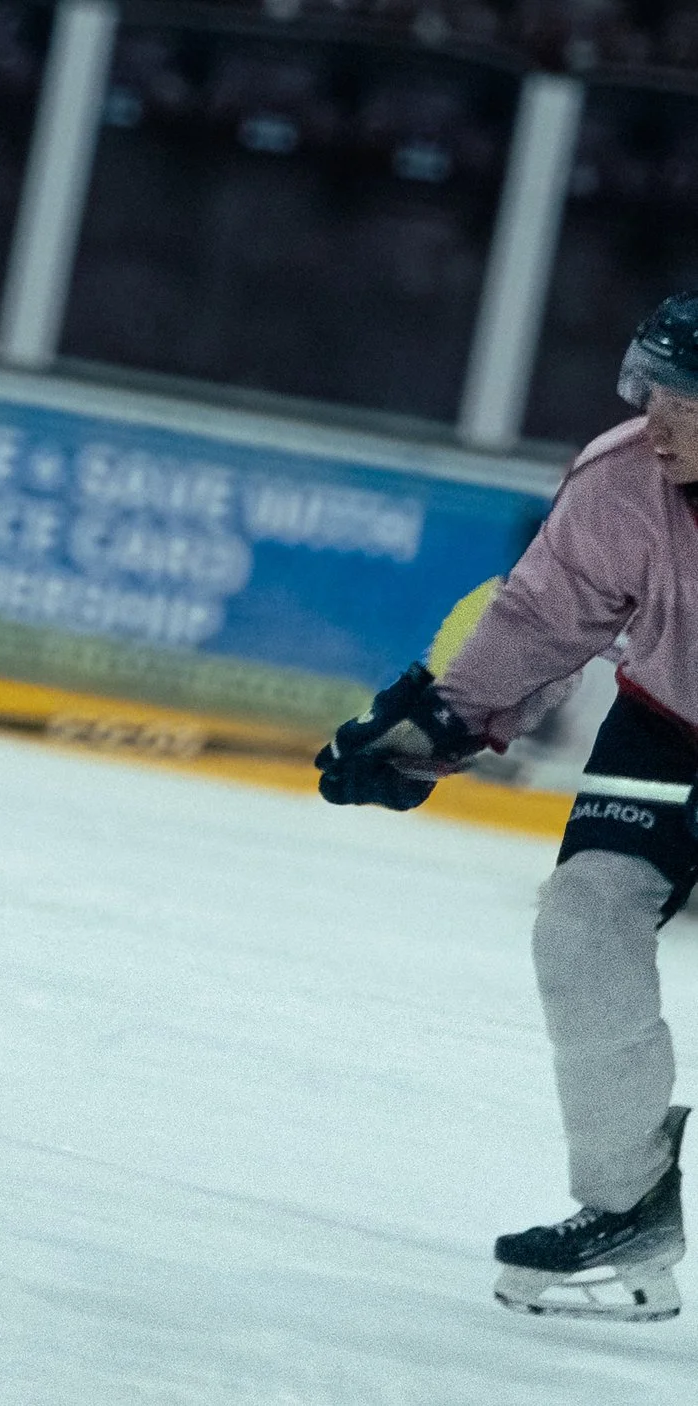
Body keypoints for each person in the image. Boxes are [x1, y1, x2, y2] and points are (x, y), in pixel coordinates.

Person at [317, 291, 698, 1323]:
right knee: (582, 921)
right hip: (672, 717)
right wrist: (437, 726)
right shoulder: (623, 480)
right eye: (647, 388)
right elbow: (539, 616)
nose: (654, 418)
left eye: (683, 399)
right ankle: (627, 1201)